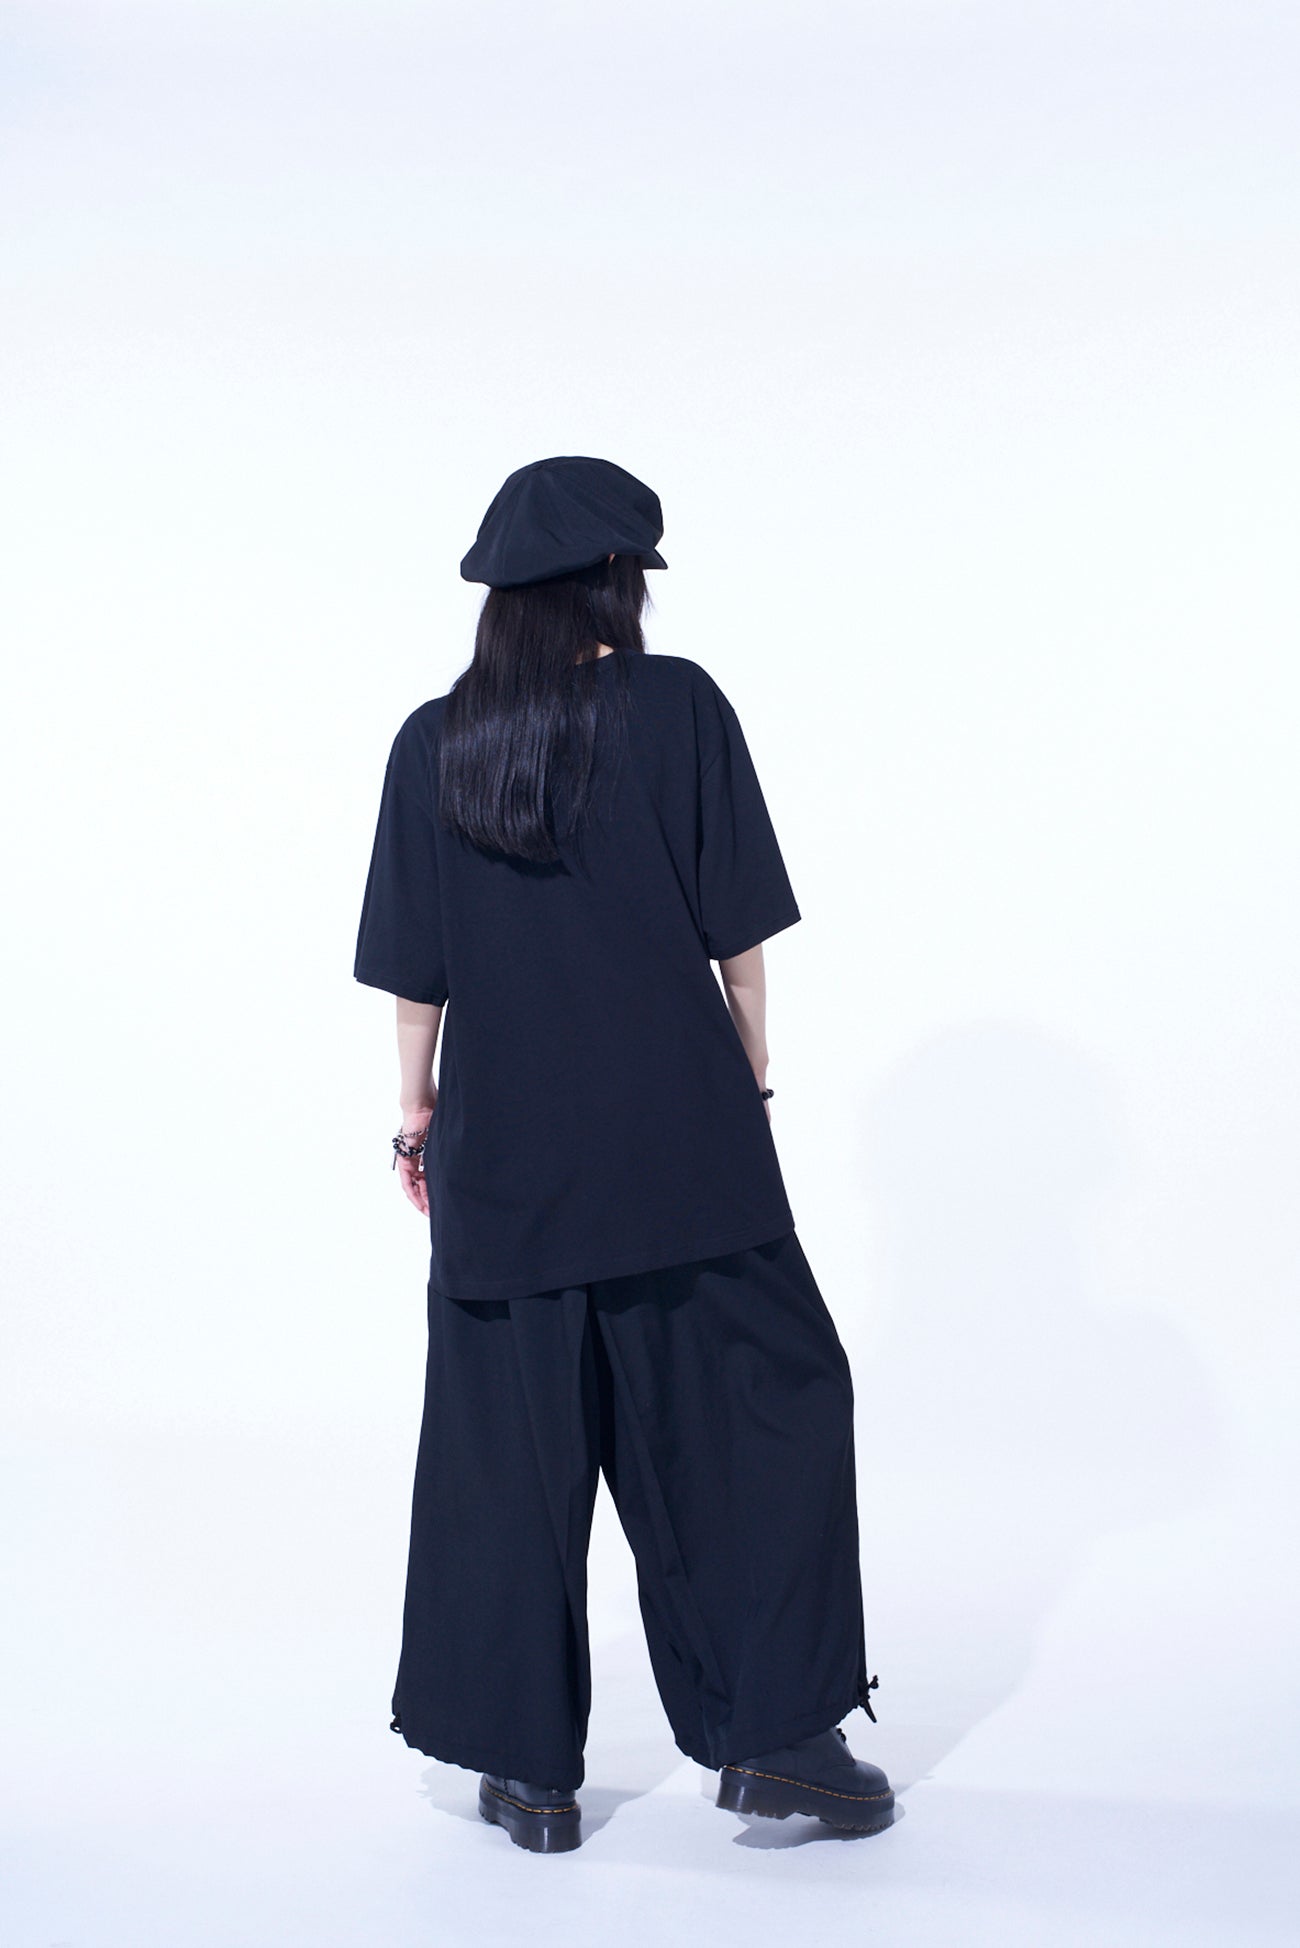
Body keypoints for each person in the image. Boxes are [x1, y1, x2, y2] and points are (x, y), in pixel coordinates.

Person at [353, 455, 893, 1854]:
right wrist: (750, 1075)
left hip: (506, 1156)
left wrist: (416, 1113)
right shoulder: (681, 706)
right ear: (616, 581)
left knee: (508, 1462)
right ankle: (780, 1744)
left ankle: (527, 1775)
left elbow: (418, 972)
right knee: (761, 1416)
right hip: (683, 1146)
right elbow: (739, 935)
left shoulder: (435, 742)